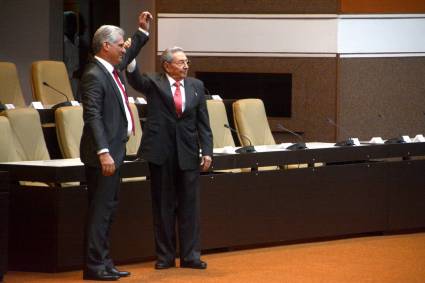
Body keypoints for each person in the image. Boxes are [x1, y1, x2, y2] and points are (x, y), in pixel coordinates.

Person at [79, 11, 152, 281]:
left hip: (115, 151)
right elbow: (92, 116)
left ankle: (104, 261)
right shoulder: (94, 75)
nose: (124, 48)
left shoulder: (110, 68)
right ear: (106, 46)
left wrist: (142, 32)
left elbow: (130, 54)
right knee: (100, 211)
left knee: (108, 210)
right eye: (121, 45)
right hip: (104, 155)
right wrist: (103, 151)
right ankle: (94, 266)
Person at [126, 47, 213, 270]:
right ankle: (165, 256)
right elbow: (134, 78)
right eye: (181, 62)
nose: (185, 66)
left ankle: (190, 256)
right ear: (167, 65)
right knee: (163, 206)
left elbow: (203, 123)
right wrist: (131, 54)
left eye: (187, 62)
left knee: (189, 207)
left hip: (188, 152)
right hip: (160, 152)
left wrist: (208, 151)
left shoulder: (196, 86)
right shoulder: (154, 83)